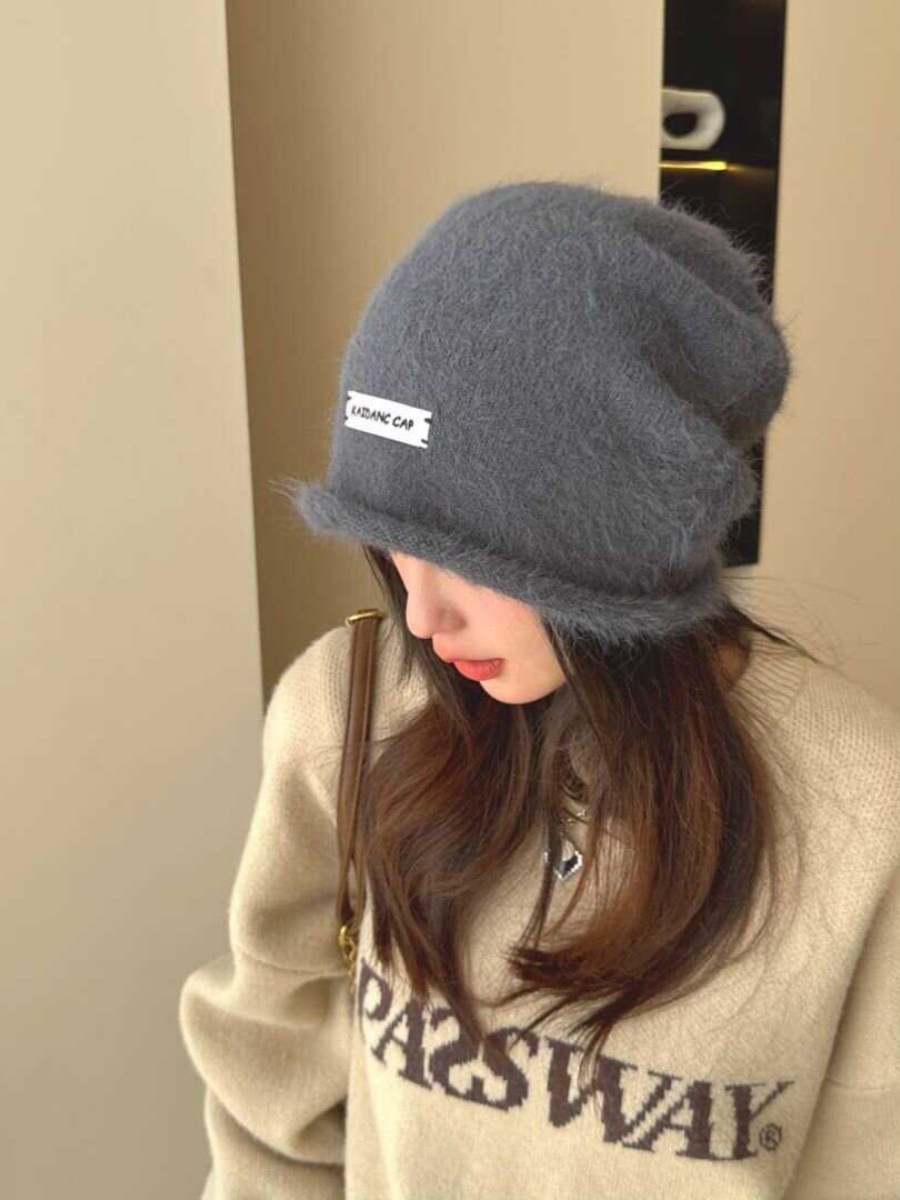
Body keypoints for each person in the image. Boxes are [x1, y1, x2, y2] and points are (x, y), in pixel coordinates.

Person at [178, 180, 900, 1200]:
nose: (421, 617)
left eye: (466, 551)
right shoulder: (346, 712)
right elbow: (270, 1097)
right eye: (393, 541)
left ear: (615, 529)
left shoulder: (863, 805)